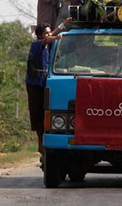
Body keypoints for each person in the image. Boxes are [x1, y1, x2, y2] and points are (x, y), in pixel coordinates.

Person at [26, 19, 70, 158]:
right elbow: (48, 39)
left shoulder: (45, 43)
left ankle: (44, 143)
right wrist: (56, 37)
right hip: (34, 84)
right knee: (37, 113)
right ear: (39, 36)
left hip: (43, 83)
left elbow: (52, 34)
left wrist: (64, 23)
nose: (49, 34)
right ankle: (40, 143)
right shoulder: (37, 44)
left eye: (49, 32)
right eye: (46, 33)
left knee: (46, 113)